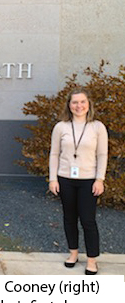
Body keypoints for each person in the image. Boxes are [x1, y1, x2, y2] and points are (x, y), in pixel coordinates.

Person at [49, 87, 108, 275]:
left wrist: (100, 179)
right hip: (65, 179)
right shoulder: (61, 127)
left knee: (88, 220)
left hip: (89, 180)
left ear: (88, 104)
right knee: (69, 218)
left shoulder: (97, 127)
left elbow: (102, 154)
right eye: (75, 102)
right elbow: (54, 154)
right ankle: (73, 254)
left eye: (82, 102)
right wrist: (53, 179)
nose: (79, 106)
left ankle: (92, 260)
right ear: (69, 105)